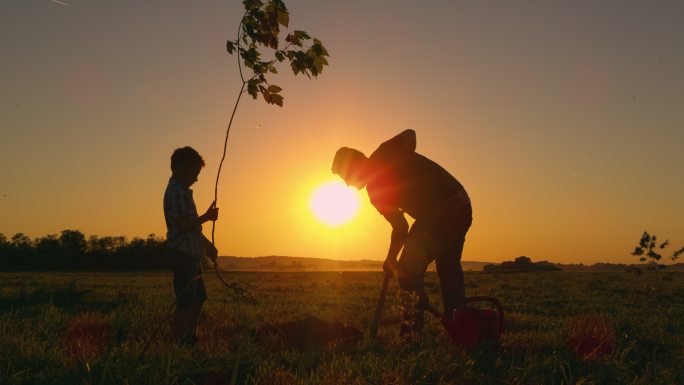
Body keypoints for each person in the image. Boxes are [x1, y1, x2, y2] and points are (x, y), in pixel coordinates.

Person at [332, 129, 472, 335]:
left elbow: (411, 134)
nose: (347, 184)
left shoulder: (385, 154)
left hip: (442, 210)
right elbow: (401, 228)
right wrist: (391, 259)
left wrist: (407, 161)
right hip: (461, 204)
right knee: (449, 270)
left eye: (345, 176)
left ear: (354, 165)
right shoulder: (377, 192)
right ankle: (462, 331)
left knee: (407, 272)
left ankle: (411, 334)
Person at [163, 146, 219, 346]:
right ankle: (179, 341)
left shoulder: (183, 192)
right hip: (182, 254)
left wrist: (208, 246)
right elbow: (183, 225)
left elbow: (192, 227)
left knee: (198, 298)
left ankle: (190, 336)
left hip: (192, 254)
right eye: (194, 173)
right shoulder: (177, 193)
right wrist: (206, 217)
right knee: (185, 301)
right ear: (181, 168)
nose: (196, 178)